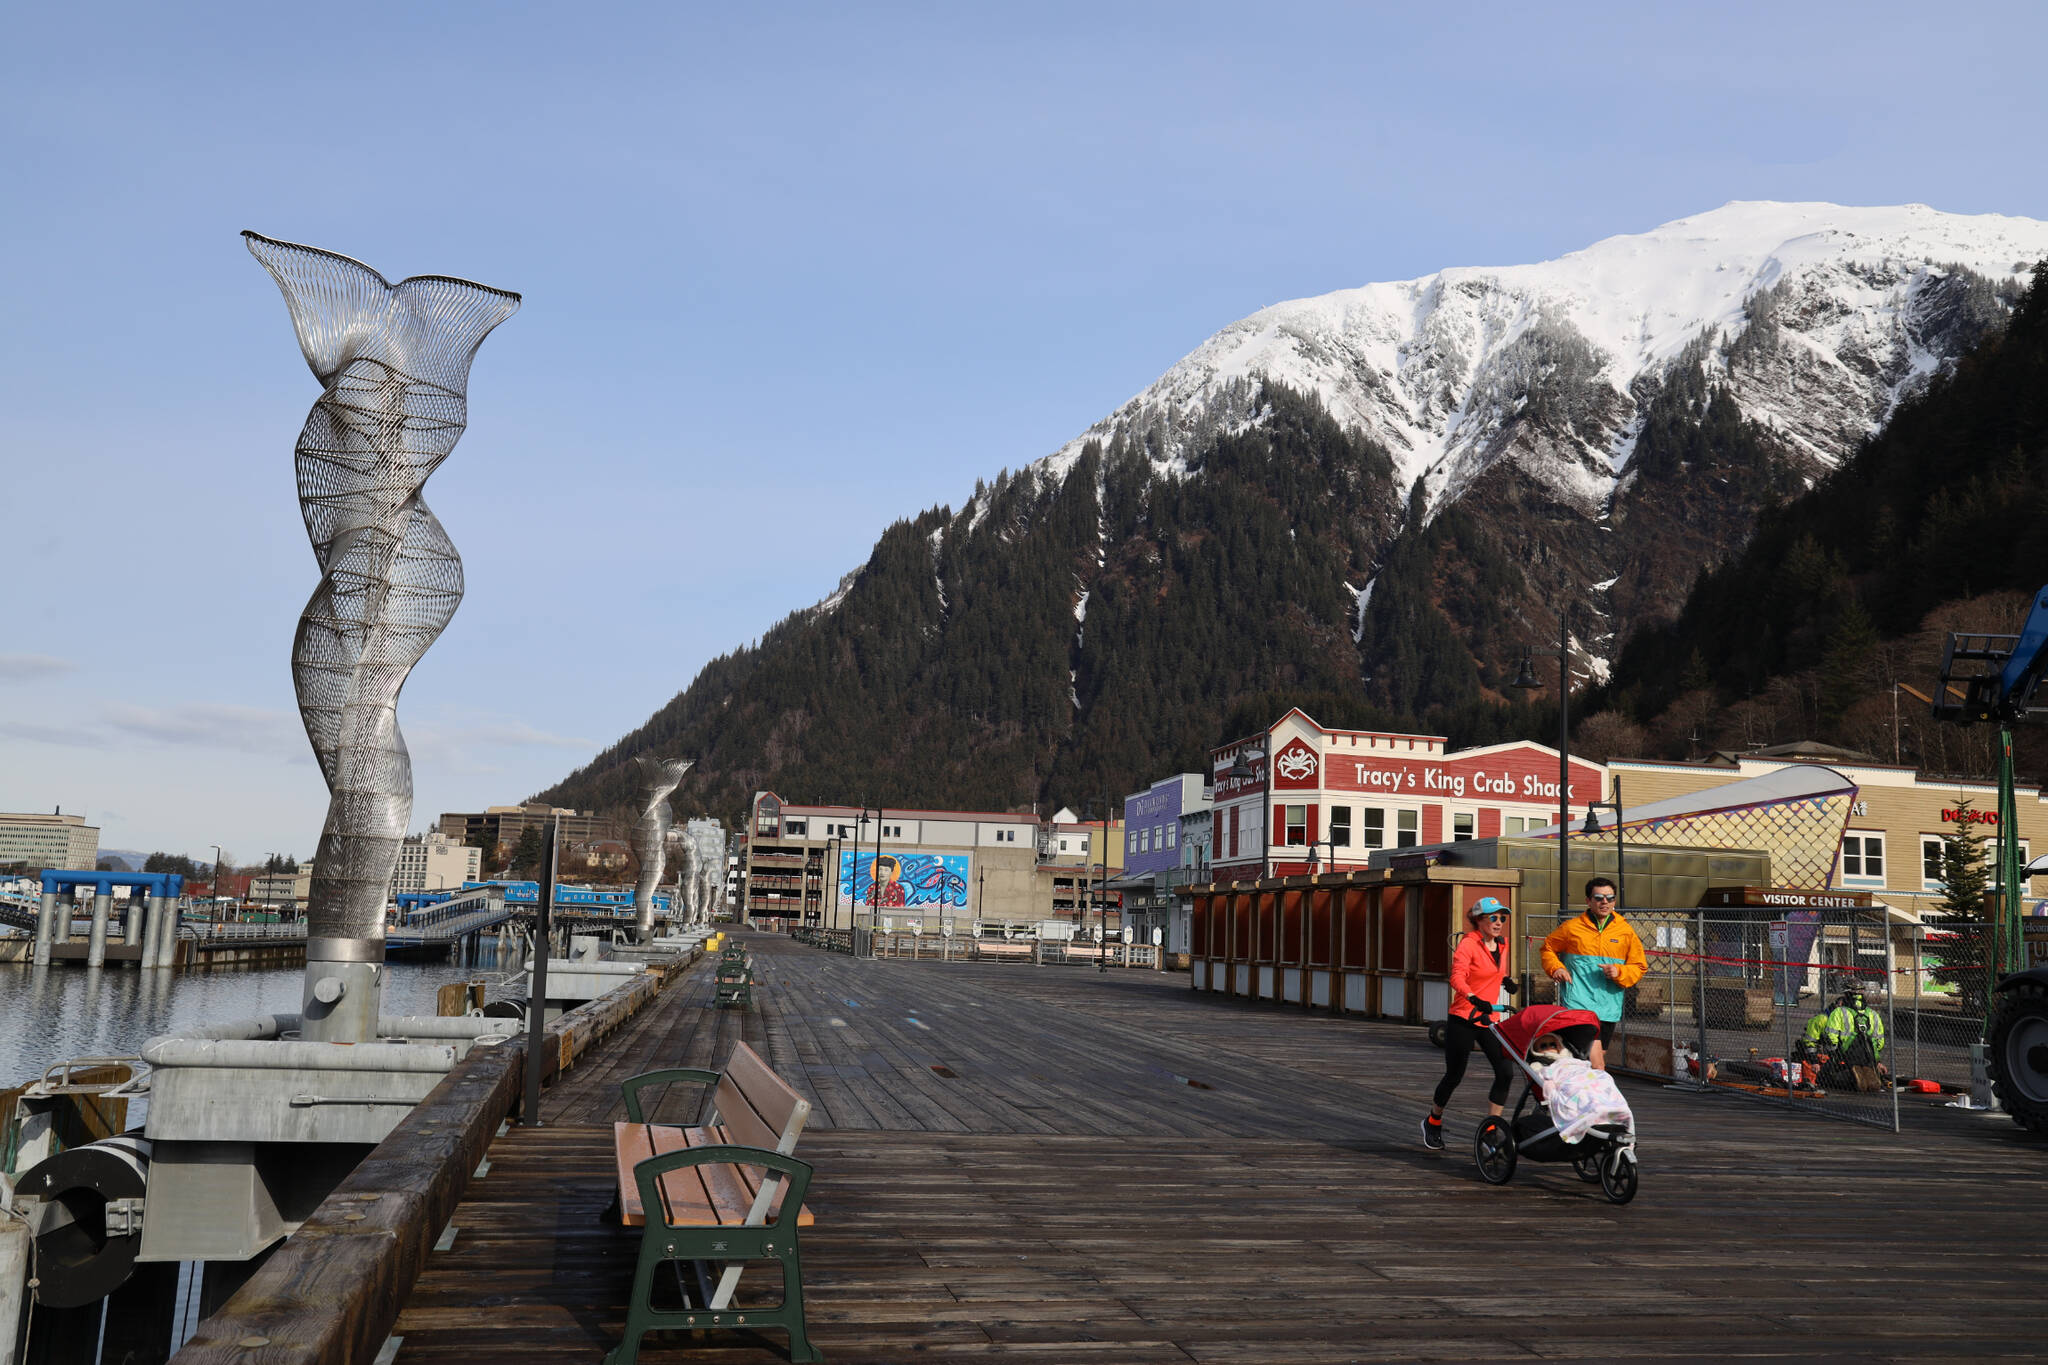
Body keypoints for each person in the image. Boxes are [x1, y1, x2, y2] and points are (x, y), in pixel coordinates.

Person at [1422, 896, 1518, 1151]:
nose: (1499, 923)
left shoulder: (1503, 944)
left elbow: (1492, 972)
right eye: (1494, 918)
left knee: (1505, 1072)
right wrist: (1475, 998)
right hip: (1464, 1016)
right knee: (1455, 1075)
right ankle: (1433, 1120)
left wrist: (1506, 980)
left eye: (1502, 918)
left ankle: (1491, 1128)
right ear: (1479, 920)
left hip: (1489, 1019)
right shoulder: (1468, 944)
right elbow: (1457, 977)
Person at [1540, 876, 1647, 1071]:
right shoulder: (1571, 928)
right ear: (1588, 901)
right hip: (1578, 1005)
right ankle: (1603, 1099)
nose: (1604, 902)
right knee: (1597, 1065)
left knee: (1587, 1062)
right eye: (1598, 897)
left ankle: (1570, 1095)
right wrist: (1557, 968)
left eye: (1609, 898)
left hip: (1608, 1008)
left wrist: (1619, 971)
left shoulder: (1625, 931)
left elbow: (1639, 966)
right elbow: (1547, 948)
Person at [1821, 984, 1889, 1082]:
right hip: (1868, 1056)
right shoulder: (1873, 1014)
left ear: (1846, 993)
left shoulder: (1839, 1012)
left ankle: (1850, 1076)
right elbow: (1880, 1041)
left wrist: (1833, 1055)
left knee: (1826, 1077)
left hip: (1846, 1056)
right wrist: (1876, 1060)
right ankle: (1870, 1073)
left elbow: (1831, 1037)